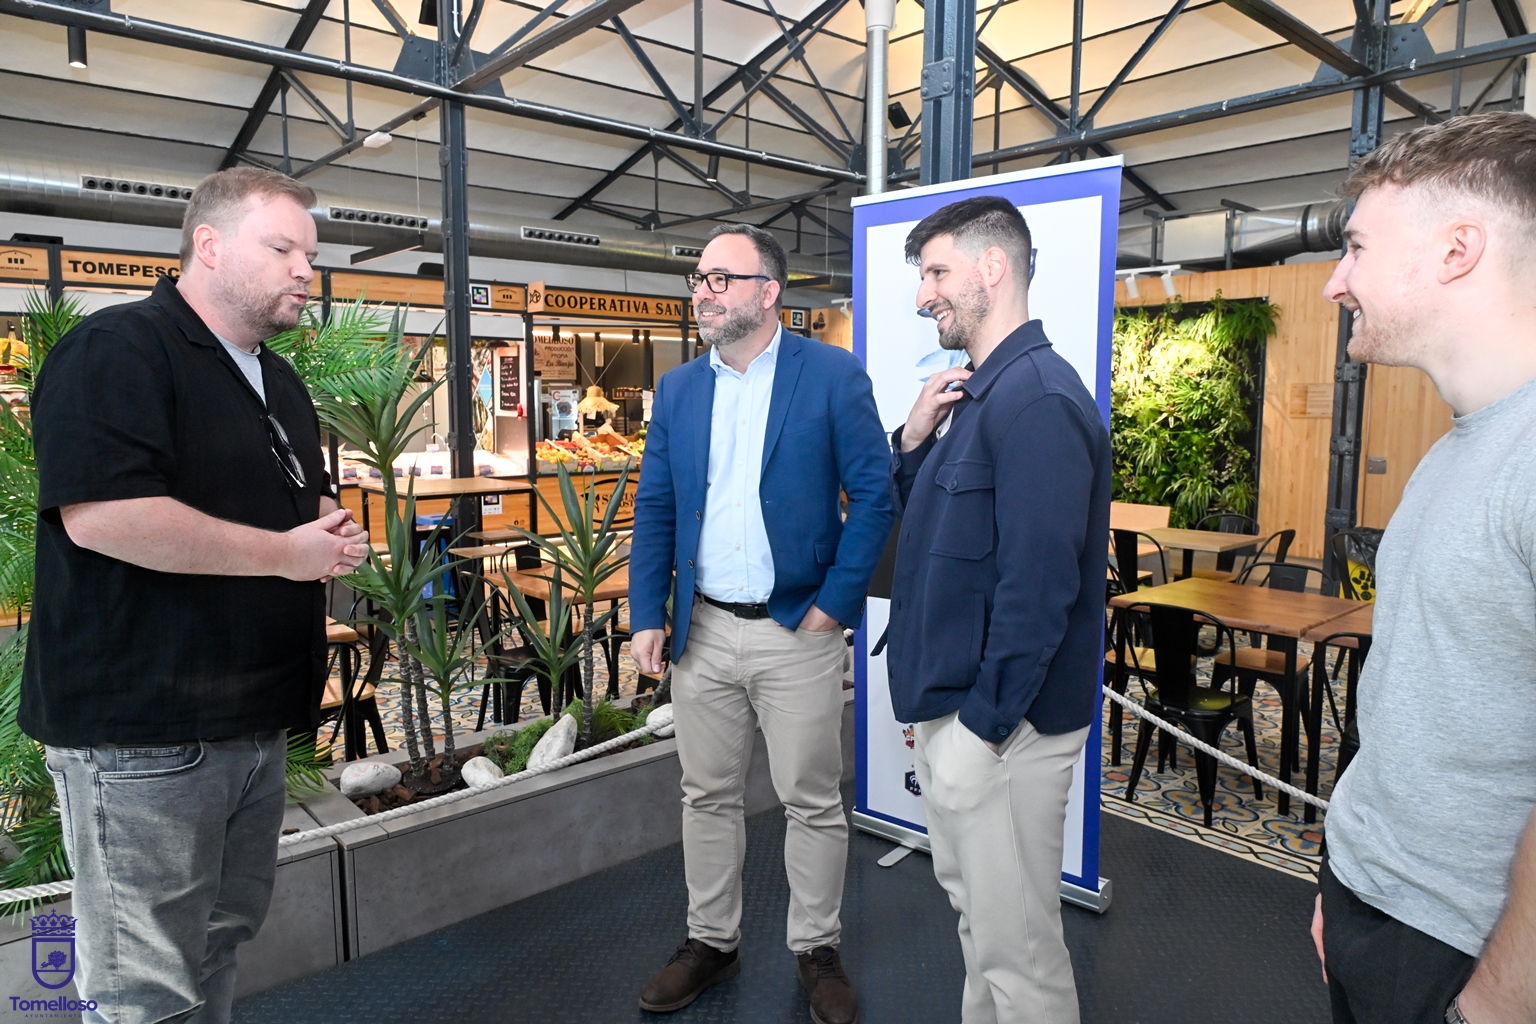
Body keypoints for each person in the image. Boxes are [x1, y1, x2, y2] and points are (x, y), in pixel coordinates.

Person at [21, 167, 370, 1023]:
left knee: (219, 940)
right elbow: (106, 517)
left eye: (311, 255)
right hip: (142, 737)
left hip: (251, 724)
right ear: (207, 246)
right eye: (283, 247)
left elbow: (285, 503)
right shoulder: (116, 351)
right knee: (146, 987)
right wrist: (286, 556)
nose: (304, 271)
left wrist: (324, 529)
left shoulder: (276, 380)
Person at [629, 223, 893, 1023]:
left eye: (721, 278)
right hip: (702, 630)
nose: (702, 292)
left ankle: (817, 948)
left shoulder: (833, 377)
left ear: (769, 293)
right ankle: (712, 940)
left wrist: (832, 609)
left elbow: (876, 499)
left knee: (810, 798)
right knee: (704, 794)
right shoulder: (679, 390)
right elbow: (657, 506)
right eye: (698, 279)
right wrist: (648, 612)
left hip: (796, 630)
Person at [1314, 111, 1536, 1024]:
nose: (1335, 282)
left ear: (1457, 250)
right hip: (1382, 908)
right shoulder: (1461, 448)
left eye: (1358, 247)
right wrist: (1348, 886)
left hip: (1467, 952)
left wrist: (1497, 1001)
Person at [886, 195, 1110, 1024]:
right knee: (985, 931)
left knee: (1020, 961)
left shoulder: (1040, 401)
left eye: (937, 271)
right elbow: (936, 539)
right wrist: (910, 443)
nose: (922, 295)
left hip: (1004, 735)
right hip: (969, 722)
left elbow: (1038, 594)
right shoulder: (981, 394)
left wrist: (979, 732)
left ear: (994, 267)